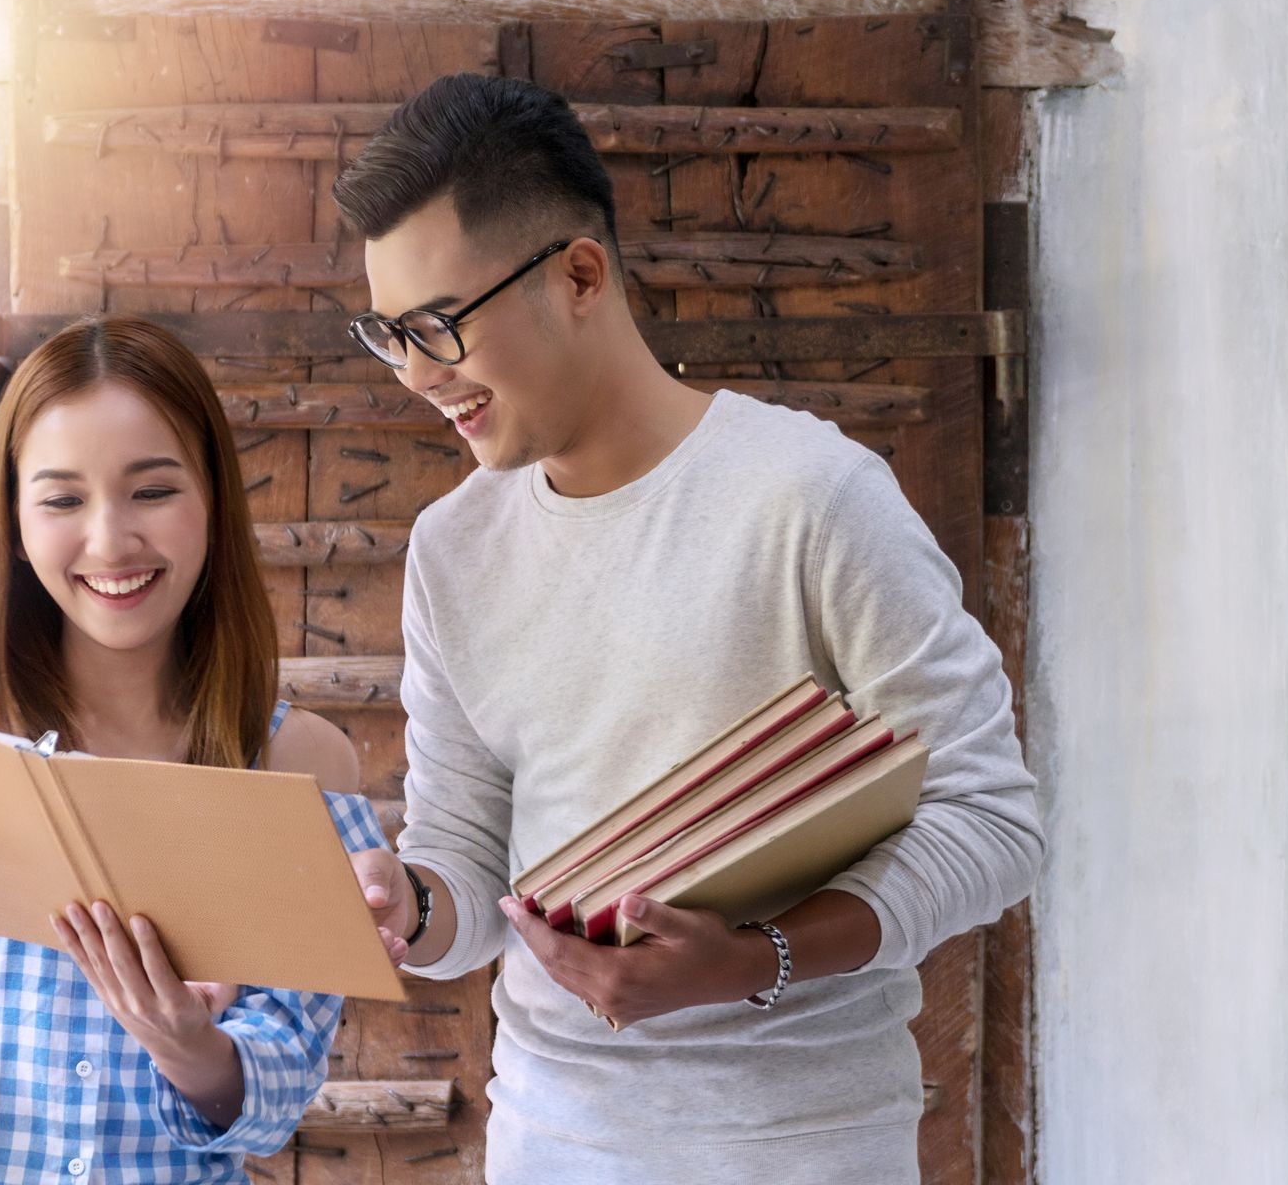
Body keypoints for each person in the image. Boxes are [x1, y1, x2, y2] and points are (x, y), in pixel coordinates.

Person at [337, 73, 1045, 1182]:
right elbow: (467, 862)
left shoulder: (813, 496)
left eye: (439, 326)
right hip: (550, 1140)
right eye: (390, 335)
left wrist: (755, 959)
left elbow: (992, 820)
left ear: (578, 274)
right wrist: (410, 904)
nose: (419, 376)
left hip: (802, 1150)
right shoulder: (452, 548)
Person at [0, 316, 387, 1183]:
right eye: (63, 500)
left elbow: (273, 1103)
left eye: (152, 491)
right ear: (14, 519)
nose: (110, 542)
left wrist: (187, 1046)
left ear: (214, 500)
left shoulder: (303, 761)